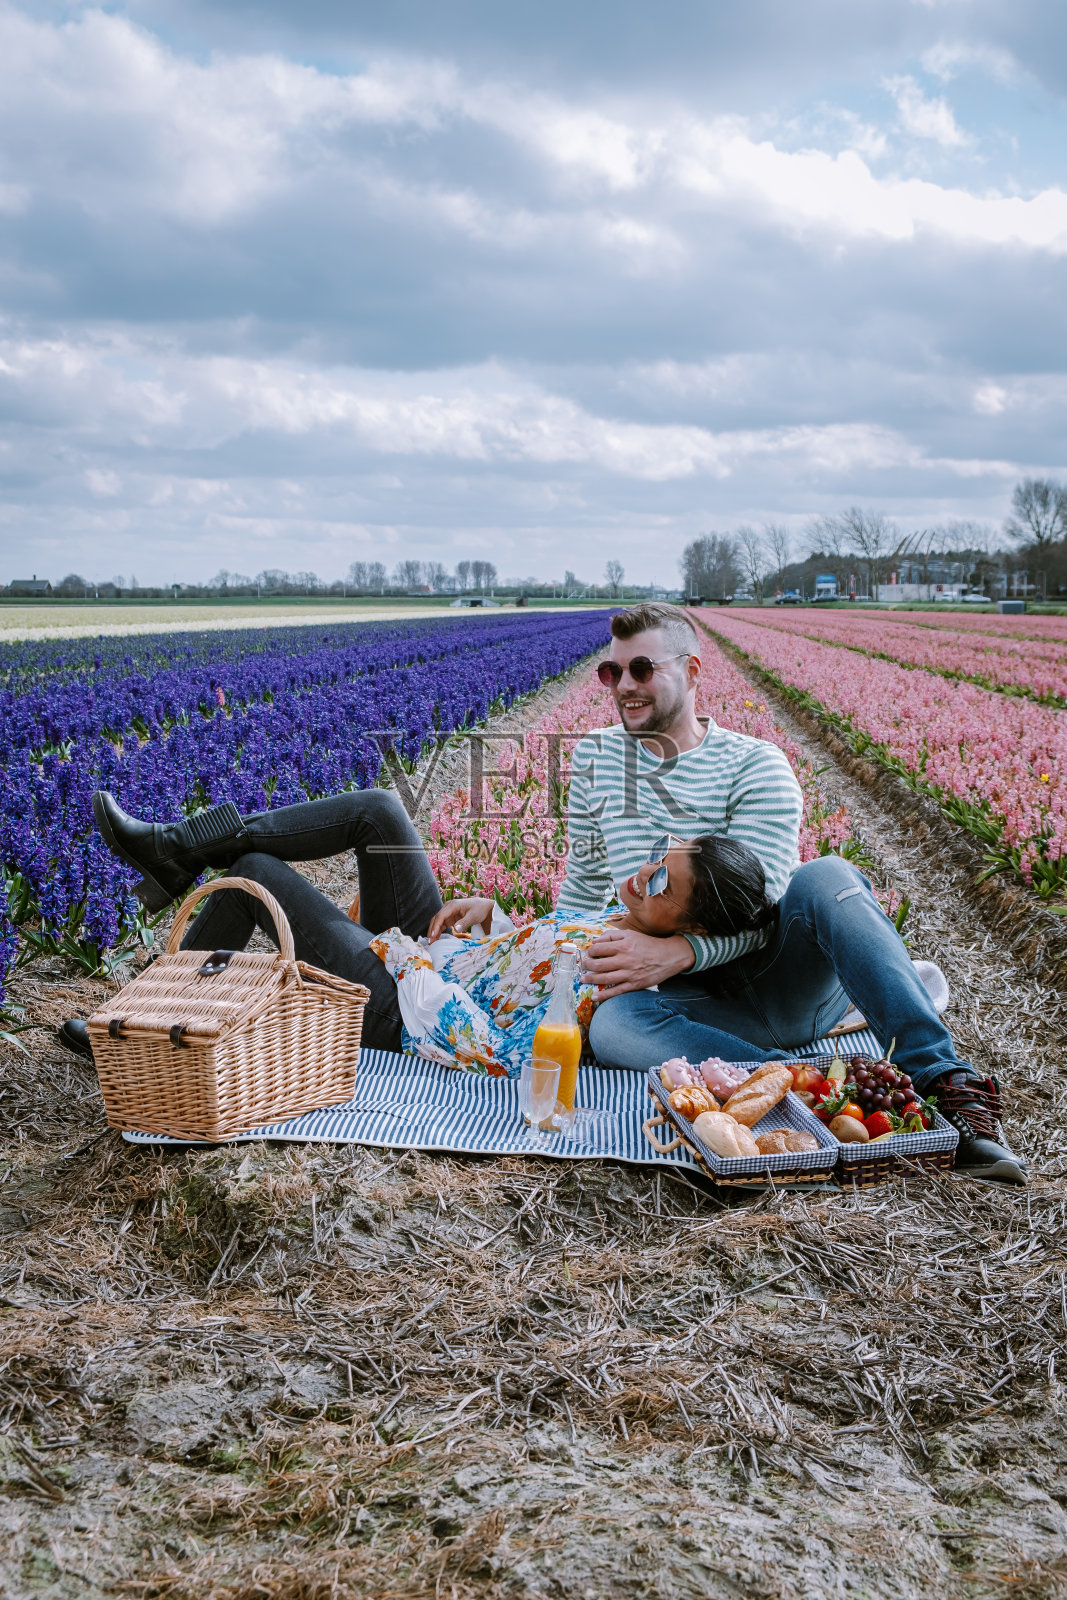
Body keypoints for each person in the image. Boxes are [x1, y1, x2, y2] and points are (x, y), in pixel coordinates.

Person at [62, 600, 1023, 1183]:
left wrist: (676, 949)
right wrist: (510, 921)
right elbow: (578, 910)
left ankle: (946, 1085)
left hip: (755, 969)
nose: (620, 684)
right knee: (375, 812)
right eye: (611, 670)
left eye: (641, 668)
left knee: (826, 878)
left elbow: (759, 904)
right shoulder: (600, 762)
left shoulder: (757, 770)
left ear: (691, 670)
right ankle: (182, 870)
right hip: (589, 976)